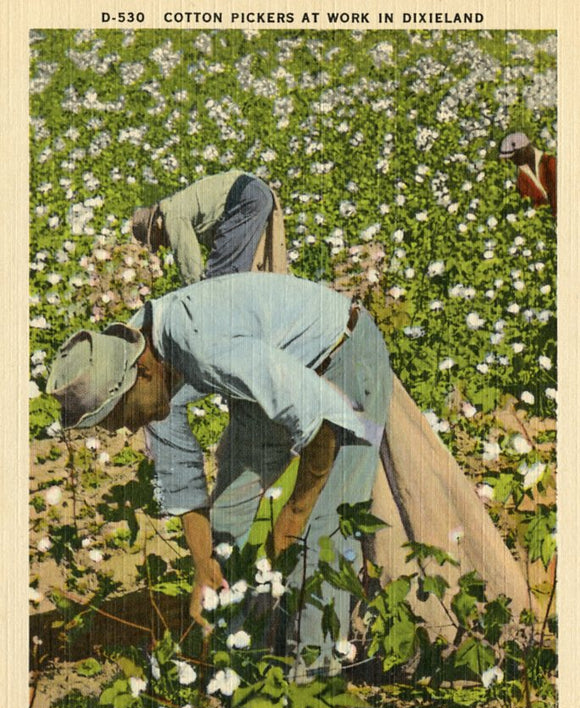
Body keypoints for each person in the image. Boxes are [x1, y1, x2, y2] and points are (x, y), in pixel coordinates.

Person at [47, 273, 532, 675]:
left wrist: (292, 518)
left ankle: (312, 684)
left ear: (144, 376)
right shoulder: (132, 347)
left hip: (339, 361)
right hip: (271, 374)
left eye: (123, 416)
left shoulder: (200, 346)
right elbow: (181, 476)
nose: (127, 427)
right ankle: (241, 653)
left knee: (320, 537)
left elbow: (319, 418)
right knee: (229, 525)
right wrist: (201, 569)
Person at [132, 171, 287, 284]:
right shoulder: (182, 207)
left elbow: (189, 261)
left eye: (155, 241)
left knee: (218, 280)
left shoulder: (172, 215)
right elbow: (218, 244)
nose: (162, 246)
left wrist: (194, 294)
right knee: (243, 272)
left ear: (156, 225)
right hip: (256, 191)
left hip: (245, 196)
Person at [498, 132, 557, 219]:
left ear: (525, 150)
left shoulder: (550, 162)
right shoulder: (521, 176)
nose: (513, 161)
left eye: (514, 157)